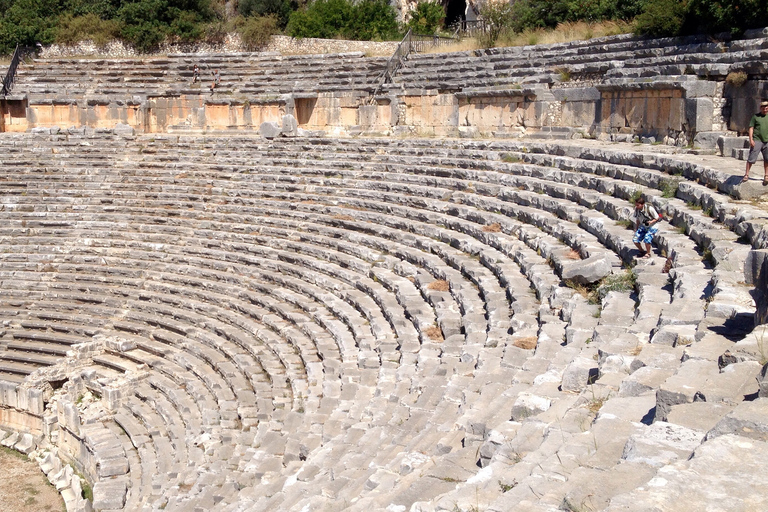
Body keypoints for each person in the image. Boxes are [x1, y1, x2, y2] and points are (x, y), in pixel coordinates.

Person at [742, 100, 768, 185]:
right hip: (757, 140)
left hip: (767, 141)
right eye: (763, 107)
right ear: (761, 108)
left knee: (767, 159)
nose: (765, 109)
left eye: (766, 107)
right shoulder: (756, 117)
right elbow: (751, 128)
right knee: (751, 158)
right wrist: (751, 139)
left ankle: (766, 176)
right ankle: (746, 174)